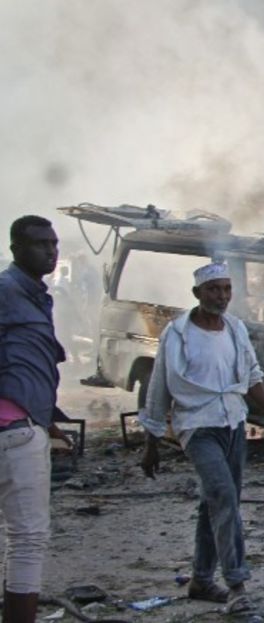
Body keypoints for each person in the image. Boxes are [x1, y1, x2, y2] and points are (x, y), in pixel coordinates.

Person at [140, 263, 264, 613]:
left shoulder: (236, 329)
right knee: (223, 496)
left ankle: (201, 580)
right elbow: (159, 387)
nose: (222, 297)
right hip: (197, 427)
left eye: (226, 289)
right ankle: (238, 585)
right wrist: (151, 443)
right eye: (214, 290)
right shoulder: (178, 333)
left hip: (232, 423)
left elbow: (253, 378)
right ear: (197, 293)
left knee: (216, 502)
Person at [0, 216, 71, 623]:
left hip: (27, 425)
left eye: (54, 244)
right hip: (13, 432)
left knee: (25, 537)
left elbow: (31, 367)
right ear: (16, 249)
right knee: (28, 539)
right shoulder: (7, 291)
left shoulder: (34, 296)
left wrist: (50, 421)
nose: (51, 251)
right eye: (41, 244)